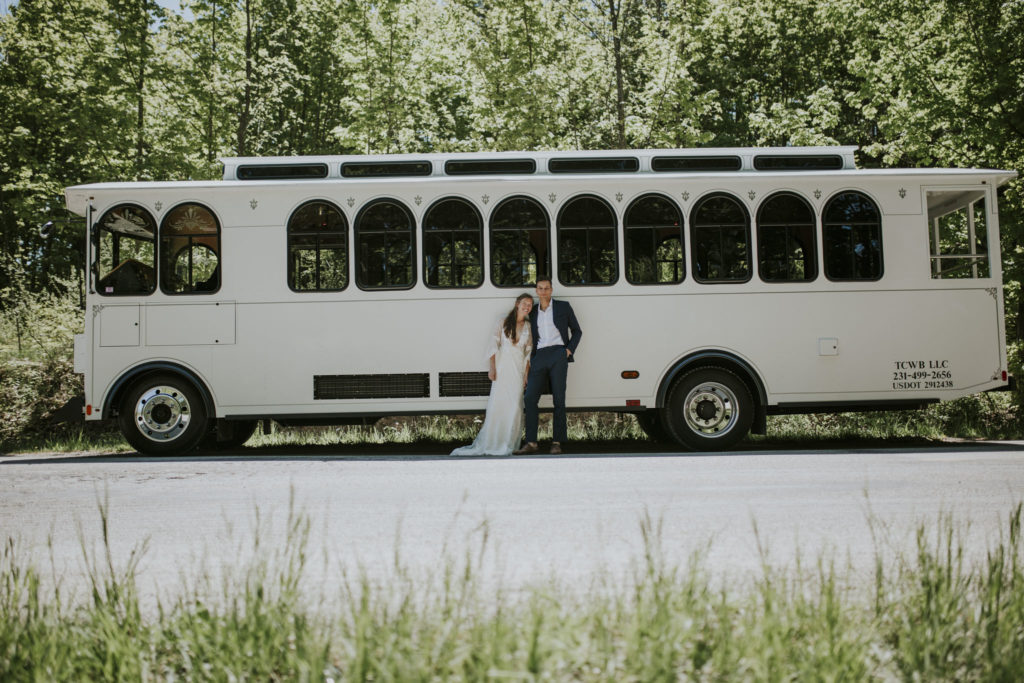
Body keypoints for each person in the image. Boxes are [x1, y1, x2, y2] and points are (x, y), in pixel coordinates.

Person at [451, 294, 534, 456]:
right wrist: (492, 368)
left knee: (515, 407)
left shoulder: (528, 326)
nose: (527, 307)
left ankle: (509, 442)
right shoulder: (502, 321)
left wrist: (526, 375)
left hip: (518, 370)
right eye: (525, 303)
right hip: (502, 368)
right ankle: (494, 441)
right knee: (499, 405)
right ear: (517, 304)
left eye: (530, 304)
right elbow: (493, 346)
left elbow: (528, 353)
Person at [515, 277, 582, 455]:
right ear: (536, 291)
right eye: (540, 288)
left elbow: (577, 331)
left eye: (546, 288)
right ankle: (531, 442)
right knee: (529, 398)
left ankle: (557, 442)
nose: (543, 291)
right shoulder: (534, 311)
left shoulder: (563, 307)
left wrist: (568, 351)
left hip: (558, 355)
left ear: (551, 290)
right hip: (540, 356)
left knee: (559, 399)